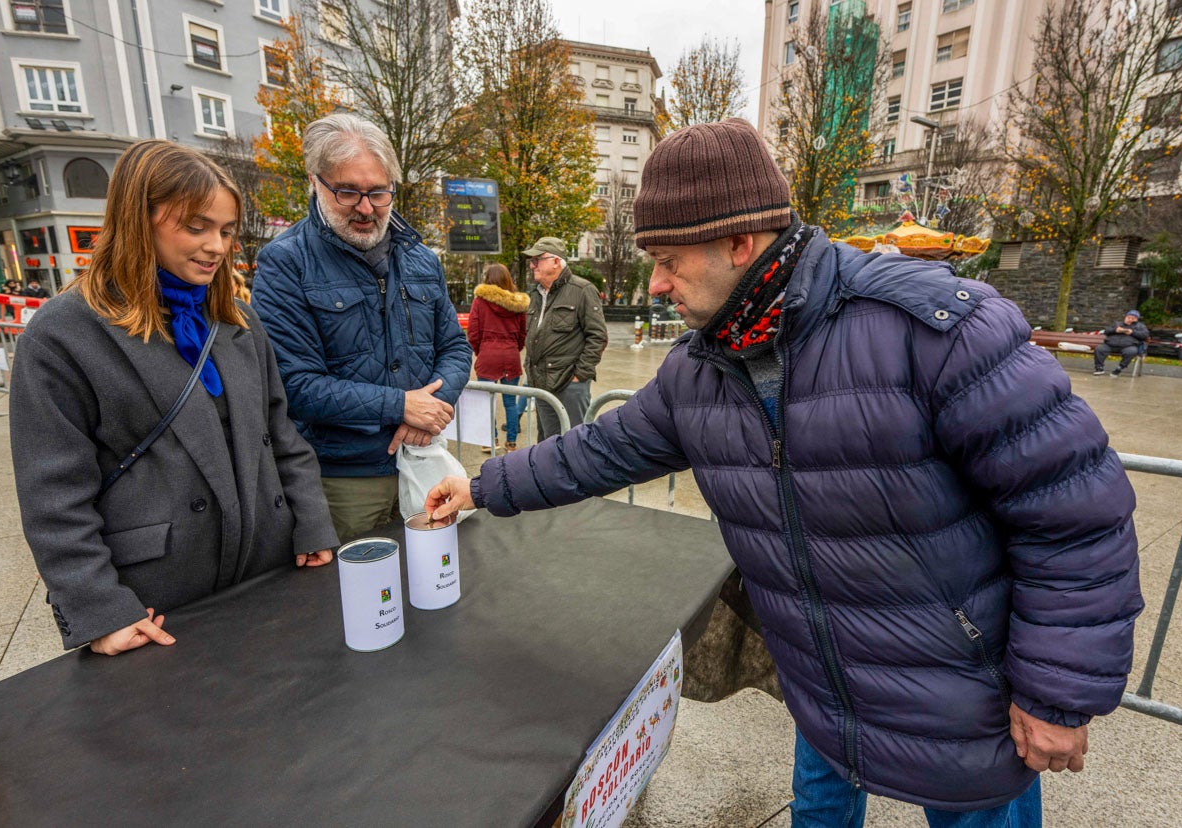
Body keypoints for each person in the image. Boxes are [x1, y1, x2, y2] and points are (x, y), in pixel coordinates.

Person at [427, 119, 1143, 826]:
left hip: (960, 695)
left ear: (740, 241)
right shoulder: (700, 366)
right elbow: (599, 449)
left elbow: (1074, 519)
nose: (655, 283)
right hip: (820, 685)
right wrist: (483, 485)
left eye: (670, 260)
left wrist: (1054, 695)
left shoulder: (936, 329)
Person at [9, 140, 339, 656]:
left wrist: (312, 524)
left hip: (269, 570)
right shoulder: (63, 335)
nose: (217, 246)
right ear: (140, 220)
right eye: (196, 226)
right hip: (156, 600)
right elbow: (54, 495)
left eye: (227, 231)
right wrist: (99, 611)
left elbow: (281, 435)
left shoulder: (239, 320)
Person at [253, 113, 472, 541]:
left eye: (378, 192)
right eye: (348, 192)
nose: (367, 208)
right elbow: (294, 384)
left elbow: (456, 349)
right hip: (342, 482)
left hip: (424, 461)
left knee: (435, 593)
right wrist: (399, 406)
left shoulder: (421, 259)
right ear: (315, 183)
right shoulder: (285, 262)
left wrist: (429, 408)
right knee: (352, 600)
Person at [521, 236, 607, 440]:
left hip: (569, 384)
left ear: (556, 261)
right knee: (548, 445)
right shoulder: (536, 294)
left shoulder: (582, 290)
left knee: (575, 444)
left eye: (538, 259)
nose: (532, 264)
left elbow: (598, 336)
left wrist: (580, 375)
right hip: (541, 383)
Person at [467, 263, 528, 452]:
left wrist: (481, 351)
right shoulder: (518, 304)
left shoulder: (479, 301)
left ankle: (490, 440)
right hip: (510, 356)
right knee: (510, 402)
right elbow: (522, 334)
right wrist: (513, 348)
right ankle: (511, 443)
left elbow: (473, 332)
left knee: (487, 402)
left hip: (488, 355)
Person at [1093, 309, 1148, 376]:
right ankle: (1099, 368)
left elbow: (1145, 335)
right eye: (1128, 317)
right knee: (1100, 348)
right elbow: (1107, 330)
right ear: (1125, 317)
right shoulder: (1117, 324)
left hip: (1129, 346)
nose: (1130, 319)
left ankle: (1120, 368)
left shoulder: (1140, 326)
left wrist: (1132, 332)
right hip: (1110, 344)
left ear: (1136, 319)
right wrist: (1115, 330)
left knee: (1131, 351)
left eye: (1133, 318)